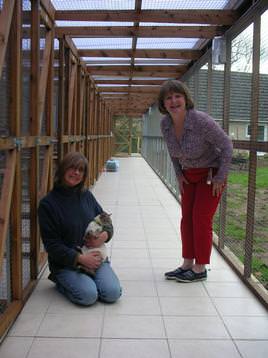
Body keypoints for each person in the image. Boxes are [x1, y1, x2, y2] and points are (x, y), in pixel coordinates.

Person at [158, 79, 233, 282]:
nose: (173, 101)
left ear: (185, 99)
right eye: (168, 98)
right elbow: (173, 154)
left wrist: (221, 176)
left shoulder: (201, 121)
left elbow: (227, 145)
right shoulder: (165, 124)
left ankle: (200, 269)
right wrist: (179, 175)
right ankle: (187, 264)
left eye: (177, 96)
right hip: (189, 175)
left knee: (200, 218)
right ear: (163, 104)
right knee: (186, 220)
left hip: (211, 175)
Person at [38, 152, 121, 305]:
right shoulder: (48, 204)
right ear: (63, 169)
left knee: (112, 293)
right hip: (67, 264)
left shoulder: (86, 195)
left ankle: (90, 278)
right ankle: (60, 279)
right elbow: (52, 245)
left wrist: (104, 236)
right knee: (88, 296)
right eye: (72, 168)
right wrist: (81, 259)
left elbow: (106, 221)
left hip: (94, 257)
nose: (76, 173)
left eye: (81, 170)